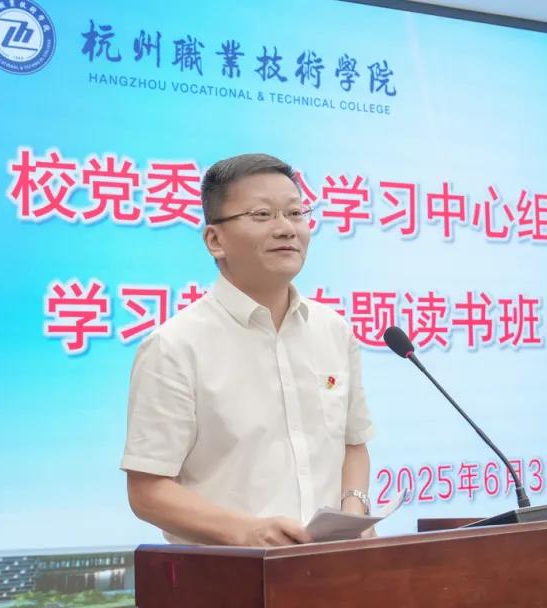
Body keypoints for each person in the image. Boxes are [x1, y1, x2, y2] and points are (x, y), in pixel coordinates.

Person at [121, 153, 375, 547]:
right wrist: (245, 531)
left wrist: (354, 513)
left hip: (330, 568)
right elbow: (148, 491)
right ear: (215, 240)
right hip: (231, 573)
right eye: (262, 215)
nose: (286, 229)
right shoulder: (175, 346)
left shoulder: (333, 331)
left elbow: (353, 444)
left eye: (295, 213)